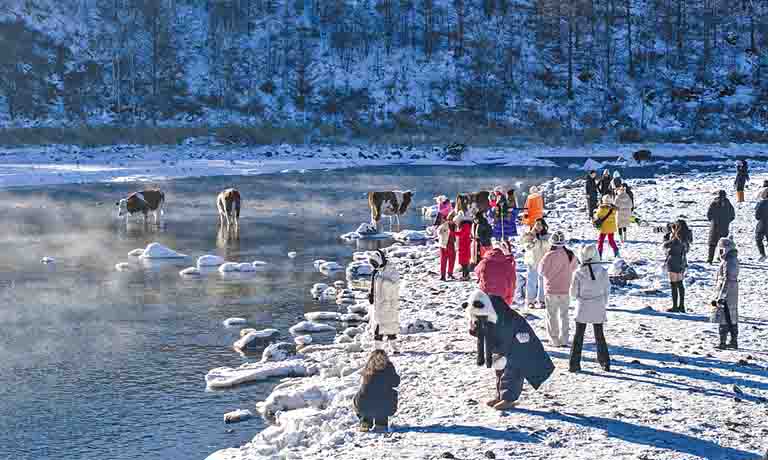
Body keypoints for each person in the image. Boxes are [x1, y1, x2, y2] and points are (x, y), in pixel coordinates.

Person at [465, 288, 554, 410]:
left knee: (513, 369)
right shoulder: (482, 310)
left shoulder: (503, 316)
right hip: (500, 343)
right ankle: (500, 396)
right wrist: (473, 330)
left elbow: (504, 337)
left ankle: (509, 399)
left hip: (518, 343)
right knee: (499, 367)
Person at [569, 244, 611, 373]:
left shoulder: (579, 272)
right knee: (599, 336)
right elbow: (607, 289)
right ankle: (604, 362)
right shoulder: (603, 271)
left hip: (583, 307)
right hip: (598, 305)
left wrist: (578, 299)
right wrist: (603, 302)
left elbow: (573, 293)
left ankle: (574, 364)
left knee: (578, 336)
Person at [537, 231, 578, 347]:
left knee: (552, 316)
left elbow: (541, 271)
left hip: (551, 290)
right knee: (564, 315)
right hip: (565, 289)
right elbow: (575, 268)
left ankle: (554, 340)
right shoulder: (570, 254)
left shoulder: (548, 255)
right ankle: (564, 339)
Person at [353, 349, 400, 432]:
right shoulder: (388, 367)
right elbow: (395, 383)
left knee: (362, 396)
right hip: (383, 406)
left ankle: (365, 422)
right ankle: (381, 424)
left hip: (363, 406)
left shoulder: (368, 367)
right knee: (388, 395)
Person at [368, 250, 401, 354]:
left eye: (375, 263)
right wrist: (371, 294)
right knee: (379, 325)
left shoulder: (391, 270)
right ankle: (378, 348)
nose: (374, 266)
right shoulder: (377, 271)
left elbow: (394, 285)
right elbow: (373, 285)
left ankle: (393, 348)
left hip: (389, 302)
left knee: (390, 326)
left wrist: (382, 281)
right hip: (379, 303)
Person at [712, 238, 739, 349]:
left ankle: (723, 342)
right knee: (731, 317)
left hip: (727, 292)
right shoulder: (731, 259)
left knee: (724, 316)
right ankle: (733, 341)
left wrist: (721, 296)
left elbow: (727, 279)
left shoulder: (729, 261)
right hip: (732, 291)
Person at [474, 240, 517, 307]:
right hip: (503, 298)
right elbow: (513, 280)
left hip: (486, 297)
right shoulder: (507, 264)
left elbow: (476, 272)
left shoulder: (484, 262)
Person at [520, 218, 551, 309]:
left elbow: (550, 246)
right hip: (532, 261)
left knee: (543, 282)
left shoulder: (548, 236)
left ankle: (541, 300)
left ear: (544, 226)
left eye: (540, 224)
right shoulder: (529, 235)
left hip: (544, 262)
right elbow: (526, 245)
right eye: (536, 224)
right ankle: (530, 301)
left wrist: (540, 242)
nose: (538, 226)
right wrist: (532, 237)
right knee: (531, 282)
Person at [663, 224, 688, 313]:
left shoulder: (675, 240)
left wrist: (667, 236)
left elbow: (665, 245)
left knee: (673, 285)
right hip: (681, 263)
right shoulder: (685, 239)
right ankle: (681, 306)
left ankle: (675, 307)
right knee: (680, 284)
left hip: (673, 262)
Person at [706, 190, 736, 264]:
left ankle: (710, 259)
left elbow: (709, 214)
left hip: (715, 226)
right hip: (724, 226)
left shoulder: (714, 203)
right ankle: (720, 258)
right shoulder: (728, 203)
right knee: (722, 243)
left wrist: (713, 221)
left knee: (712, 243)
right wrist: (727, 221)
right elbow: (732, 215)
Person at [593, 195, 620, 259]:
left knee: (601, 241)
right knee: (611, 240)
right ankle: (616, 253)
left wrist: (595, 212)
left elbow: (596, 216)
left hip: (604, 228)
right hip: (611, 228)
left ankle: (599, 255)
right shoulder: (614, 209)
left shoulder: (601, 209)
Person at [453, 212, 473, 280]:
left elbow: (461, 234)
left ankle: (466, 276)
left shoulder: (465, 226)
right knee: (464, 262)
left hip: (464, 246)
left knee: (464, 263)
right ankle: (465, 275)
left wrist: (453, 233)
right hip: (464, 246)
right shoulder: (465, 225)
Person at [437, 212, 457, 281]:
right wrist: (443, 231)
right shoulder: (444, 225)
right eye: (451, 218)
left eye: (453, 219)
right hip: (444, 245)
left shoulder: (456, 225)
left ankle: (450, 273)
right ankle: (443, 275)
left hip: (452, 244)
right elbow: (438, 232)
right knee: (443, 260)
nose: (452, 220)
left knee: (452, 260)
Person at [755, 188, 768, 262]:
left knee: (758, 239)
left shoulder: (761, 203)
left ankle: (762, 254)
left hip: (763, 224)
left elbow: (757, 216)